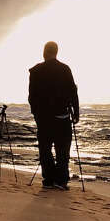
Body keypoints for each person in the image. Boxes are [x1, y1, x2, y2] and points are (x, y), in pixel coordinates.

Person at [28, 41, 79, 190]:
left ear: (44, 52)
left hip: (43, 117)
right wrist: (76, 112)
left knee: (45, 149)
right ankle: (61, 180)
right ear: (56, 52)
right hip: (62, 116)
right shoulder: (65, 69)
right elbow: (73, 92)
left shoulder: (36, 71)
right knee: (62, 150)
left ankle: (49, 179)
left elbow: (32, 96)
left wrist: (36, 114)